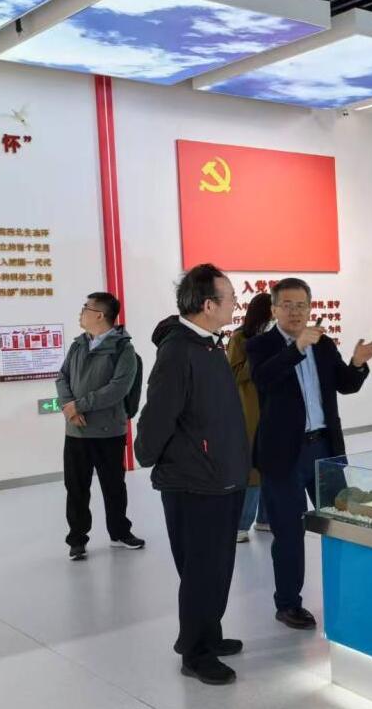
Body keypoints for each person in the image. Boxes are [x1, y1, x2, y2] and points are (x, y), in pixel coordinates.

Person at [135, 264, 248, 686]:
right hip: (194, 481)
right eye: (230, 297)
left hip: (222, 476)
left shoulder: (209, 345)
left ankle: (210, 634)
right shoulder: (179, 350)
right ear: (208, 305)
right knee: (201, 570)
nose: (235, 303)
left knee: (218, 566)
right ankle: (195, 651)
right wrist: (147, 456)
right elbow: (159, 414)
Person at [246, 278, 372, 631]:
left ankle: (348, 594)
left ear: (310, 308)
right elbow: (264, 380)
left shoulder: (323, 343)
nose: (295, 312)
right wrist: (297, 347)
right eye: (287, 305)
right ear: (274, 309)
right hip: (283, 455)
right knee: (289, 533)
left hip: (325, 450)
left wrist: (358, 363)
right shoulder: (260, 345)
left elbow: (345, 385)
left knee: (340, 526)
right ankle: (288, 604)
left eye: (301, 305)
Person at [55, 292, 144, 561]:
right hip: (77, 431)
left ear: (99, 315)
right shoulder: (78, 344)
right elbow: (62, 377)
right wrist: (68, 406)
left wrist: (79, 406)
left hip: (108, 432)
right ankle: (77, 540)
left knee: (113, 486)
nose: (81, 312)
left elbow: (118, 389)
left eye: (85, 308)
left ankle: (119, 533)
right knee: (76, 488)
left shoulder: (123, 349)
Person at [228, 292, 273, 542]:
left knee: (272, 467)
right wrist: (257, 354)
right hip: (251, 411)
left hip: (274, 409)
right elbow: (234, 374)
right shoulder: (239, 338)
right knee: (253, 471)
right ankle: (240, 524)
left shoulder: (277, 337)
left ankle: (265, 518)